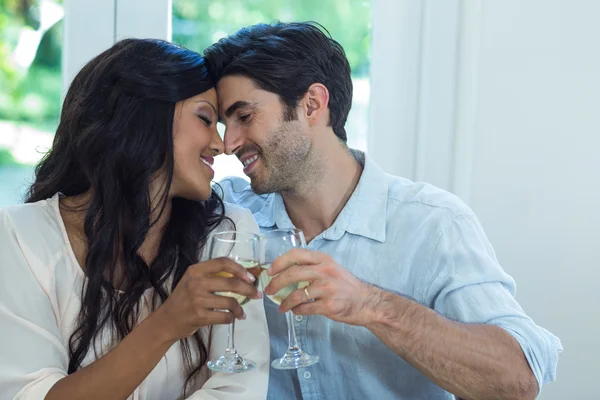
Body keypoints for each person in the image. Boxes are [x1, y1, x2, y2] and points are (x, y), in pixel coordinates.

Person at [203, 22, 563, 400]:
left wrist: (370, 304)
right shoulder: (231, 217)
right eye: (226, 124)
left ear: (312, 104)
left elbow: (516, 383)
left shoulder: (433, 224)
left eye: (244, 117)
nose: (229, 143)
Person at [0, 39, 269, 400]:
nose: (221, 144)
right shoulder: (19, 236)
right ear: (142, 117)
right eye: (206, 119)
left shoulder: (227, 234)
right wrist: (167, 323)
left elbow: (239, 388)